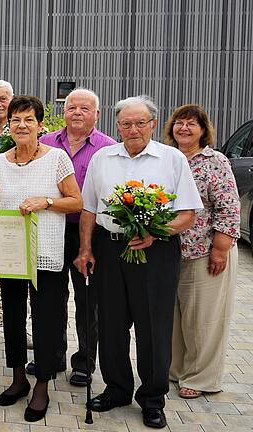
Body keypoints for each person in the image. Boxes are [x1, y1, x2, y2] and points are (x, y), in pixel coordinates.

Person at [74, 95, 203, 429]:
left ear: (153, 125)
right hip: (110, 249)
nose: (133, 129)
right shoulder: (103, 158)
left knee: (153, 328)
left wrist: (156, 231)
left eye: (140, 123)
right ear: (117, 126)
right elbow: (89, 209)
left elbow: (188, 214)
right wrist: (85, 250)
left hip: (156, 252)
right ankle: (117, 389)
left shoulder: (172, 159)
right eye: (126, 124)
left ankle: (152, 398)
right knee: (112, 325)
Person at [0, 96, 83, 422]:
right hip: (11, 255)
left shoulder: (57, 159)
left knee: (46, 320)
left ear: (41, 126)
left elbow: (76, 202)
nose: (22, 125)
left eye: (29, 120)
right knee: (13, 318)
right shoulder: (1, 161)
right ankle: (18, 378)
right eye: (16, 120)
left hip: (47, 253)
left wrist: (45, 201)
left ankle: (42, 383)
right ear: (8, 125)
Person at [29, 88, 116, 385]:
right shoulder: (45, 143)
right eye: (71, 107)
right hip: (50, 228)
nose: (77, 113)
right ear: (63, 112)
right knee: (51, 298)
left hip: (89, 233)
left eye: (84, 108)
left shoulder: (108, 149)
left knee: (87, 298)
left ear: (97, 114)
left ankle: (84, 363)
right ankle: (51, 357)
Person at [163, 105, 240, 399]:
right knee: (175, 317)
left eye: (191, 124)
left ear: (203, 130)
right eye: (179, 123)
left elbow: (229, 207)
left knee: (203, 319)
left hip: (205, 252)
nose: (184, 128)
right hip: (170, 251)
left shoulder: (215, 161)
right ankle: (176, 369)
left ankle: (202, 377)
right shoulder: (168, 159)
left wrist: (220, 249)